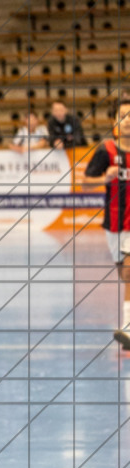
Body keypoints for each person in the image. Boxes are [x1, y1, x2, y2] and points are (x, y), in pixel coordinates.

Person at [83, 97, 130, 351]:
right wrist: (105, 176)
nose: (128, 120)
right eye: (123, 115)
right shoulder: (106, 151)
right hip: (115, 224)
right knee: (125, 276)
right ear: (115, 122)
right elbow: (84, 183)